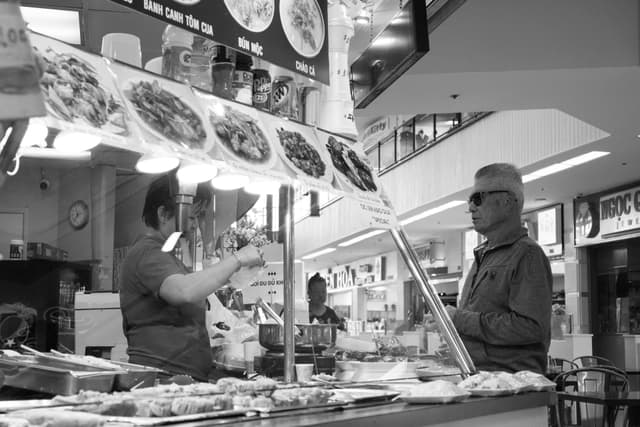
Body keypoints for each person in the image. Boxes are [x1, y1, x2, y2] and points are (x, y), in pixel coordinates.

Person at [119, 173, 264, 381]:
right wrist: (236, 259)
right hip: (162, 380)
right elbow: (183, 291)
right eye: (192, 217)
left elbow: (192, 287)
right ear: (163, 213)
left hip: (181, 378)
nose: (196, 225)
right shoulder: (147, 253)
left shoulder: (166, 256)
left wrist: (231, 278)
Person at [444, 163, 552, 374]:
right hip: (481, 380)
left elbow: (530, 327)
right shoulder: (483, 255)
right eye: (470, 201)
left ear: (507, 202)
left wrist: (459, 319)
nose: (471, 208)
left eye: (478, 199)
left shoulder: (527, 254)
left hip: (512, 387)